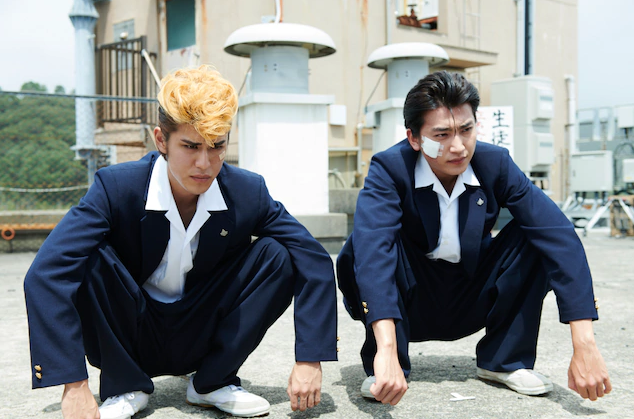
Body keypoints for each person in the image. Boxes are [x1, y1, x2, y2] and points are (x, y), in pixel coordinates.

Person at [24, 65, 337, 419]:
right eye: (190, 146)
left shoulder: (247, 191)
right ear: (161, 140)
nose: (205, 163)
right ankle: (125, 384)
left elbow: (313, 258)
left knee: (278, 255)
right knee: (88, 257)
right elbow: (47, 274)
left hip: (201, 329)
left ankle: (212, 381)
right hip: (130, 330)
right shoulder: (117, 188)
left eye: (217, 146)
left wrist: (310, 358)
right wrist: (74, 384)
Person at [337, 71, 611, 405]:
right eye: (442, 134)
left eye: (466, 130)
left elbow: (557, 234)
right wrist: (386, 348)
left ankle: (504, 360)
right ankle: (388, 365)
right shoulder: (389, 168)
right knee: (363, 244)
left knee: (535, 236)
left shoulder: (494, 163)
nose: (458, 146)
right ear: (415, 138)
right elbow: (373, 251)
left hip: (471, 292)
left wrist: (585, 343)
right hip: (409, 299)